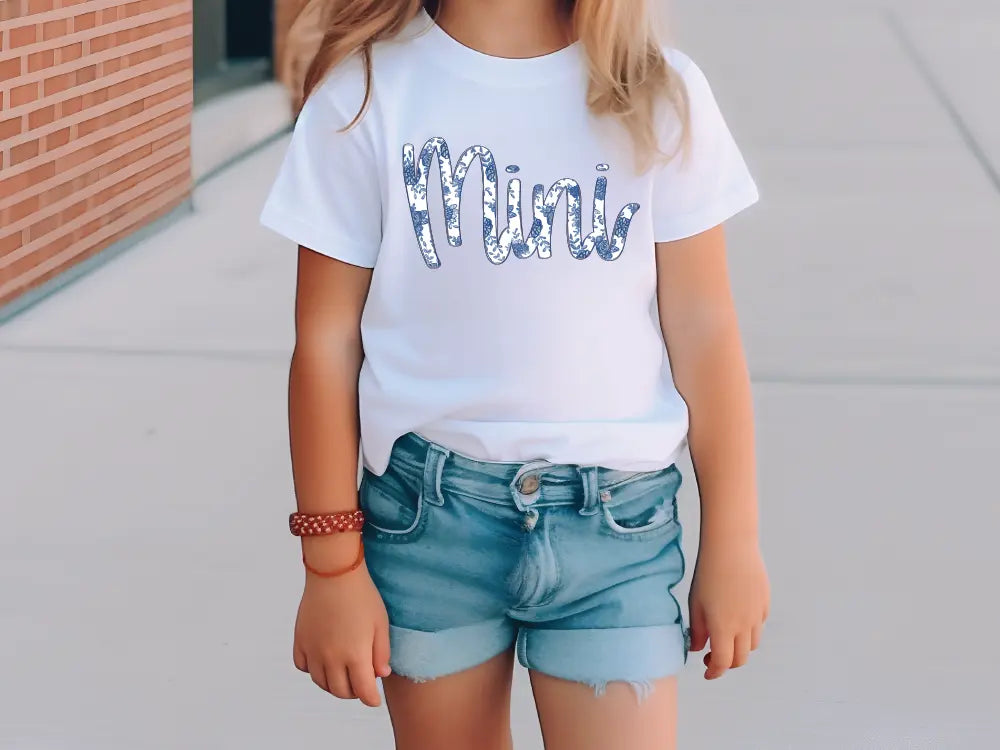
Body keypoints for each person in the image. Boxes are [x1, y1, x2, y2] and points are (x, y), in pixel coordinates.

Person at [260, 1, 769, 748]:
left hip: (615, 533)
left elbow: (705, 330)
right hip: (429, 527)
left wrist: (734, 541)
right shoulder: (365, 93)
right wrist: (330, 567)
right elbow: (326, 340)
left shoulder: (657, 93)